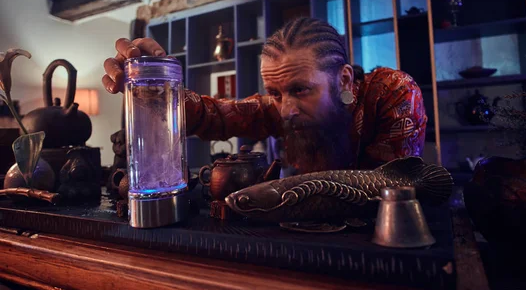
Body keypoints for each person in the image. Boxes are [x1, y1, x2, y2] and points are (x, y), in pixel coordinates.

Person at [102, 17, 427, 174]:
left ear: (343, 79)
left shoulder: (393, 92)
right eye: (275, 93)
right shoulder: (282, 107)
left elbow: (387, 192)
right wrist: (159, 89)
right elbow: (216, 114)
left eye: (300, 90)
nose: (286, 110)